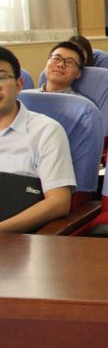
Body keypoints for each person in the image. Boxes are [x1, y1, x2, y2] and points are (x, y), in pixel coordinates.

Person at [0, 46, 74, 233]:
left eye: (1, 77)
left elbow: (59, 202)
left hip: (17, 239)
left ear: (19, 85)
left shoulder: (46, 132)